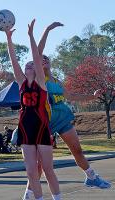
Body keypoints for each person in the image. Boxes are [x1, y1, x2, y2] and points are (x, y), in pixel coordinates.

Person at [24, 21, 111, 198]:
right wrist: (47, 30)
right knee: (40, 165)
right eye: (42, 59)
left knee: (77, 150)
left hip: (62, 118)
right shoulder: (40, 80)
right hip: (44, 121)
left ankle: (91, 177)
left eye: (47, 59)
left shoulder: (56, 81)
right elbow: (37, 51)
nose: (45, 60)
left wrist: (92, 96)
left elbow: (72, 96)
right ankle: (28, 194)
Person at [5, 19, 61, 200]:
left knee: (47, 169)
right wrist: (8, 38)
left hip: (42, 127)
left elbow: (37, 56)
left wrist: (31, 36)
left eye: (31, 65)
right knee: (30, 172)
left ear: (36, 70)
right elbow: (13, 59)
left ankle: (58, 198)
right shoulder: (21, 83)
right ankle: (38, 198)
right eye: (26, 65)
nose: (28, 65)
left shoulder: (41, 83)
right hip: (25, 128)